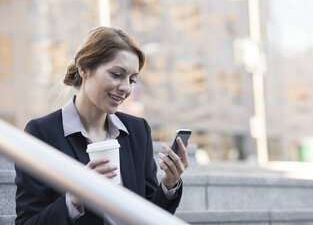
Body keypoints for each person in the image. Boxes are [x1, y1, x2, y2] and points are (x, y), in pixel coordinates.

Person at [14, 26, 190, 225]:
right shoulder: (42, 133)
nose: (125, 88)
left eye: (132, 79)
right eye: (116, 74)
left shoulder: (137, 130)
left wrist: (169, 184)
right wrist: (76, 198)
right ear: (84, 69)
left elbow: (149, 213)